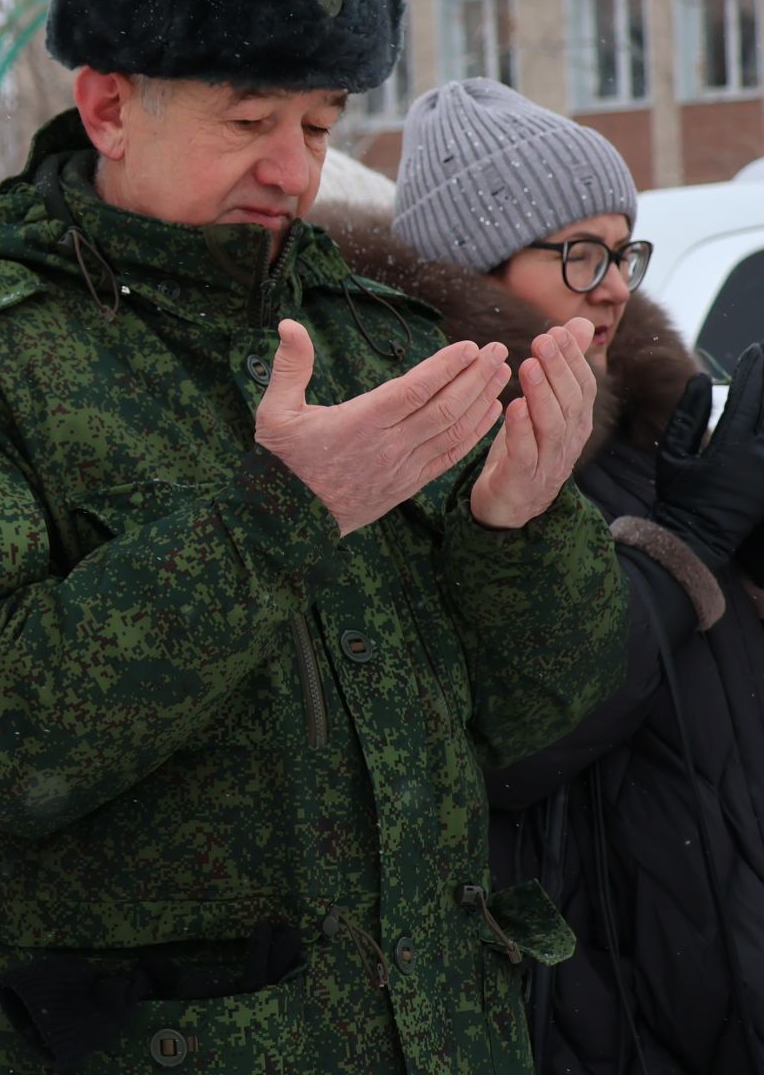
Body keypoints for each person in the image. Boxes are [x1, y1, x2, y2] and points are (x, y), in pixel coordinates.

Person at [0, 0, 628, 1073]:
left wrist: (517, 531)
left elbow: (538, 720)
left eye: (321, 127)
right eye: (249, 123)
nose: (294, 171)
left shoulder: (383, 340)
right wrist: (275, 523)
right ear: (109, 105)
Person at [325, 78, 764, 1075]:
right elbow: (516, 739)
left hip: (711, 938)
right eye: (578, 253)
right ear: (474, 265)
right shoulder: (438, 445)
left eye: (622, 250)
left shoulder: (650, 418)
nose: (613, 283)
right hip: (586, 973)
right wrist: (686, 543)